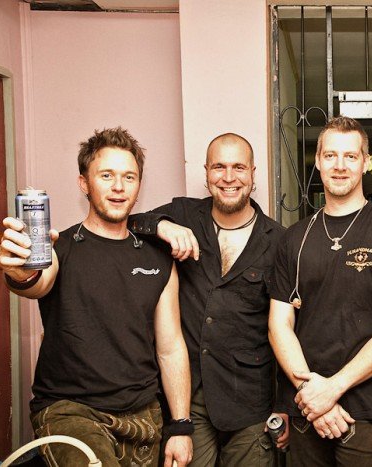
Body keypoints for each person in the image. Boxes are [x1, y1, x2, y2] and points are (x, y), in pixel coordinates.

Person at [0, 127, 192, 467]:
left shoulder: (158, 259)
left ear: (138, 185)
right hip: (71, 412)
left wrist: (181, 426)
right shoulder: (59, 248)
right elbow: (35, 282)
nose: (119, 187)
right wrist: (20, 272)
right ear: (84, 183)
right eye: (106, 175)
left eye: (129, 177)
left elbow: (171, 347)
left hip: (142, 416)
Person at [128, 133, 288, 466]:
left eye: (238, 167)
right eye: (219, 167)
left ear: (253, 173)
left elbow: (286, 328)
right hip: (189, 397)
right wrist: (162, 226)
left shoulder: (278, 241)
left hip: (250, 402)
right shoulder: (183, 214)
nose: (228, 177)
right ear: (206, 172)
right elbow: (130, 222)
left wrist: (285, 405)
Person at [268, 116, 372, 466]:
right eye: (330, 155)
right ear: (318, 161)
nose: (339, 165)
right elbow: (279, 325)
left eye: (350, 156)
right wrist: (311, 395)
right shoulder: (294, 238)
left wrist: (332, 389)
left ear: (365, 162)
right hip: (305, 409)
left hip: (366, 410)